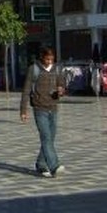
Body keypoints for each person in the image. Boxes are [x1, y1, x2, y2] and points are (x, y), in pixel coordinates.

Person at [20, 46, 66, 178]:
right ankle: (54, 165)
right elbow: (26, 91)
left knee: (50, 138)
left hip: (53, 107)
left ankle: (40, 164)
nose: (50, 61)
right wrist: (23, 110)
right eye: (47, 59)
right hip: (39, 108)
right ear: (42, 57)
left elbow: (62, 84)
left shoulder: (57, 69)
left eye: (52, 59)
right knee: (46, 136)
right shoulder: (33, 69)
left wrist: (61, 90)